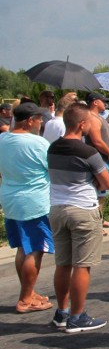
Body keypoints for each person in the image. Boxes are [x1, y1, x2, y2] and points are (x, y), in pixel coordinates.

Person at [48, 103, 109, 332]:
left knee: (62, 264)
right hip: (83, 209)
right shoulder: (87, 152)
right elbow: (107, 182)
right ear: (82, 124)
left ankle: (62, 312)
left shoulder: (53, 148)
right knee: (82, 265)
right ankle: (77, 316)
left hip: (57, 208)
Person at [0, 102, 54, 314]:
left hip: (10, 198)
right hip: (34, 201)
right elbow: (51, 169)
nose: (41, 122)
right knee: (35, 249)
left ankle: (28, 291)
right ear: (30, 121)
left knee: (23, 248)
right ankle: (25, 299)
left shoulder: (3, 139)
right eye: (39, 119)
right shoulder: (38, 143)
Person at [84, 92, 109, 230]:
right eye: (102, 101)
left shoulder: (98, 117)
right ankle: (96, 224)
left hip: (104, 158)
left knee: (102, 193)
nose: (105, 104)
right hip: (98, 160)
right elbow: (97, 142)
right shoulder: (92, 118)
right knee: (99, 193)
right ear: (95, 102)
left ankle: (99, 220)